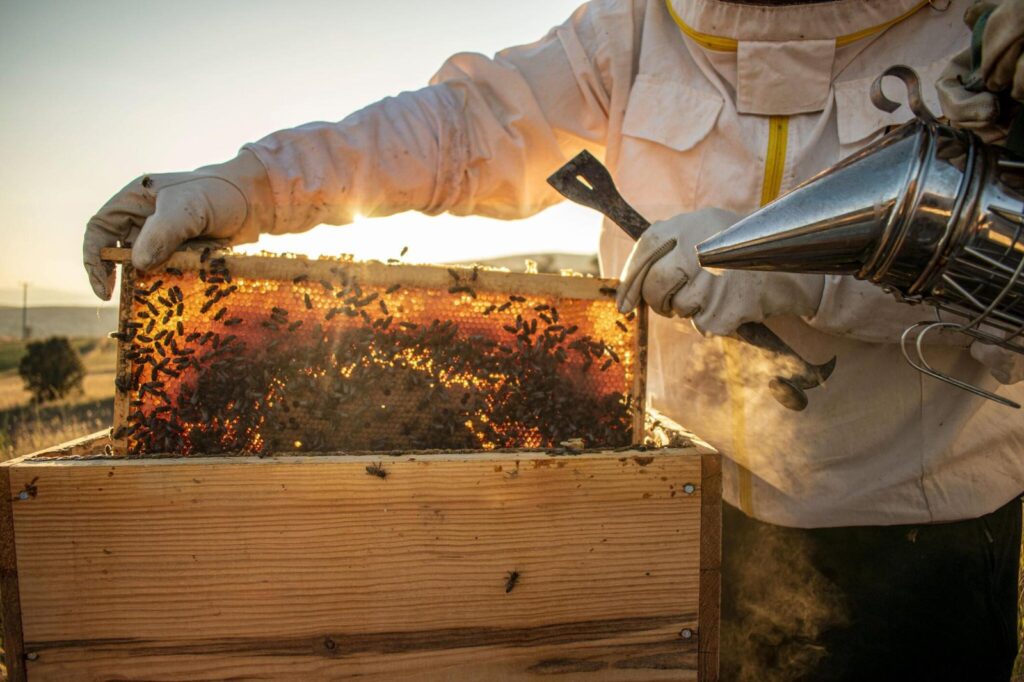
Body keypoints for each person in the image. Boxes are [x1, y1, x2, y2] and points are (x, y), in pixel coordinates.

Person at [84, 1, 1024, 678]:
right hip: (681, 510)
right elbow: (463, 125)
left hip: (920, 531)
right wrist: (248, 185)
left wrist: (791, 267)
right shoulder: (641, 29)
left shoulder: (980, 34)